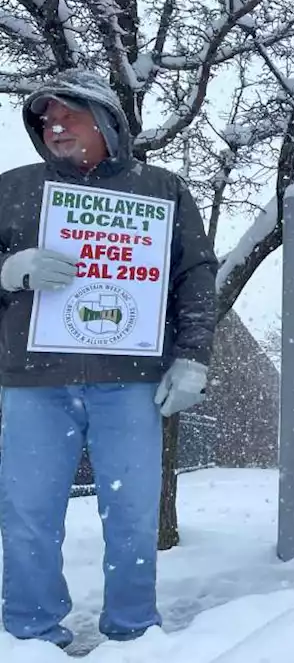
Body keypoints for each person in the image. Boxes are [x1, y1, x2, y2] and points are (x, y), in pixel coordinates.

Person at [0, 69, 216, 647]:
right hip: (32, 381)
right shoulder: (12, 188)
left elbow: (193, 274)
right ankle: (28, 631)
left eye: (70, 115)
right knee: (26, 514)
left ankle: (133, 632)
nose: (56, 128)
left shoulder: (163, 190)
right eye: (47, 120)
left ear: (107, 123)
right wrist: (9, 271)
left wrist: (193, 355)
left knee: (132, 515)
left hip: (130, 381)